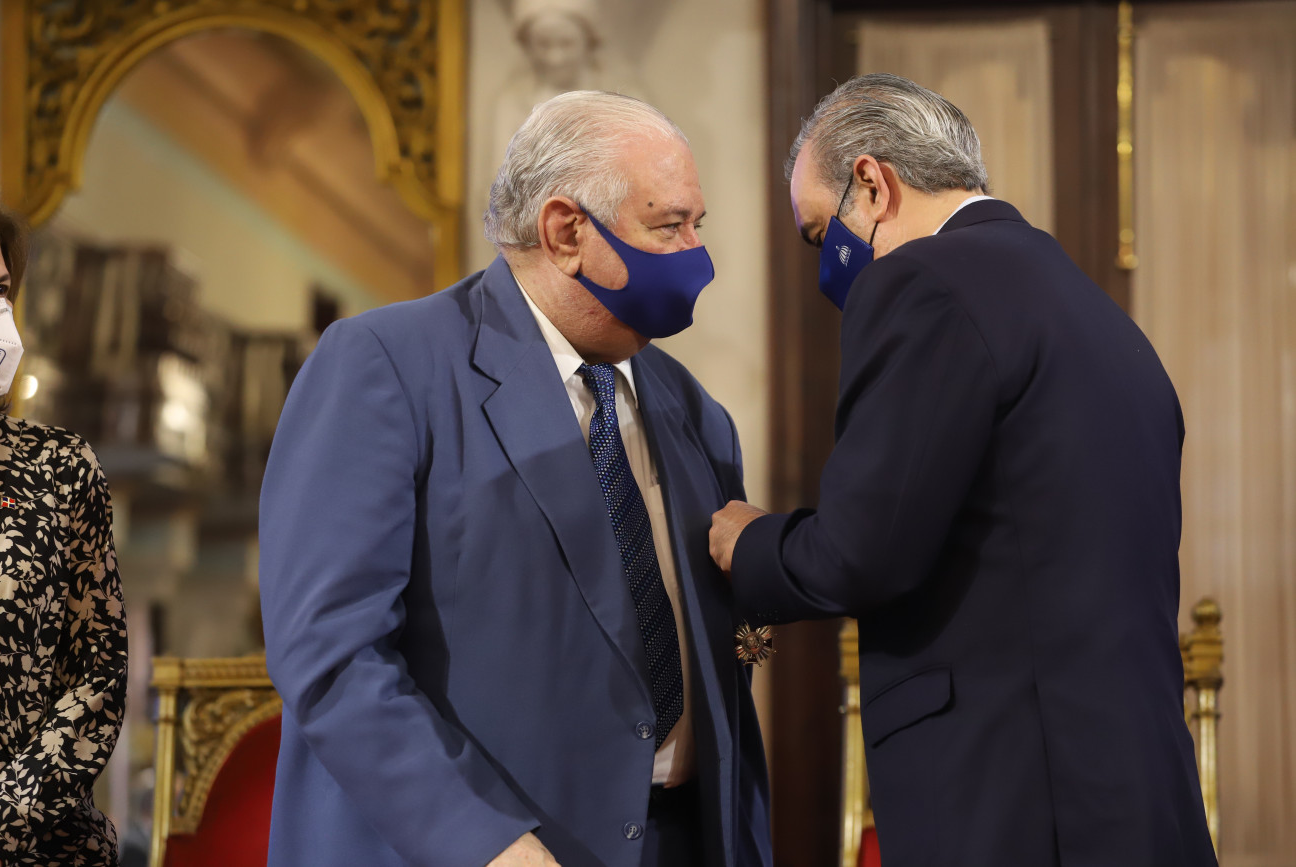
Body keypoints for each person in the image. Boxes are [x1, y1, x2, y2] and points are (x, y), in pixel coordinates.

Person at [709, 74, 1217, 866]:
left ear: (871, 184)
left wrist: (749, 544)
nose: (825, 266)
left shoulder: (922, 283)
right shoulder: (1096, 313)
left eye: (818, 235)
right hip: (1136, 792)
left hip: (1017, 796)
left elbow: (862, 550)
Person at [259, 91, 771, 867]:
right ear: (566, 230)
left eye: (697, 224)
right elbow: (330, 655)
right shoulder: (388, 365)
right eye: (670, 226)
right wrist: (486, 842)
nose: (696, 254)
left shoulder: (696, 411)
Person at [0, 200, 128, 864]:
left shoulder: (59, 466)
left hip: (37, 845)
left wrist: (5, 818)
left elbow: (98, 668)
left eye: (0, 291)